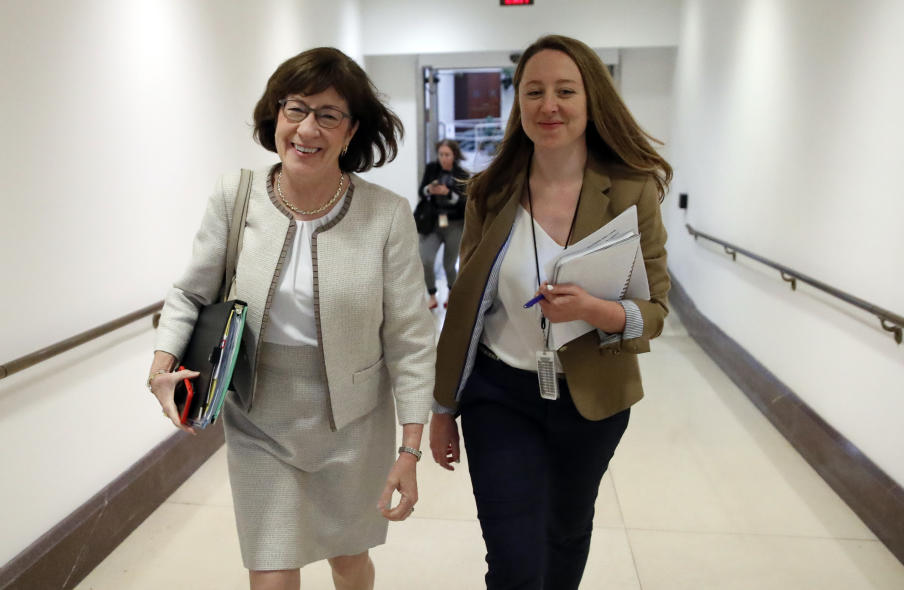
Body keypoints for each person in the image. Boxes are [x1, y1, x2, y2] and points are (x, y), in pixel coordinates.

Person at [147, 47, 435, 590]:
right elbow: (190, 293)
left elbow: (411, 340)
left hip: (353, 423)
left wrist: (410, 448)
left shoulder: (386, 215)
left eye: (328, 115)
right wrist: (162, 366)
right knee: (271, 572)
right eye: (296, 109)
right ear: (275, 116)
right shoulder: (238, 195)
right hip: (260, 416)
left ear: (351, 132)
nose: (307, 129)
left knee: (349, 561)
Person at [428, 34, 671, 590]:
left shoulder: (632, 191)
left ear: (591, 100)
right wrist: (444, 406)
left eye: (565, 90)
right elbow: (466, 309)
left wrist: (599, 310)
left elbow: (654, 310)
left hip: (591, 401)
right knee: (513, 560)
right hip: (499, 395)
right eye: (533, 92)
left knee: (564, 534)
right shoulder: (491, 191)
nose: (548, 106)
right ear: (519, 105)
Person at [417, 139, 469, 309]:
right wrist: (429, 190)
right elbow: (421, 191)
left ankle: (451, 293)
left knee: (449, 263)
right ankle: (432, 294)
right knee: (426, 259)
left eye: (447, 155)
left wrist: (448, 193)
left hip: (454, 223)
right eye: (441, 154)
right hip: (432, 222)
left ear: (454, 155)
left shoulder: (462, 175)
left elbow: (464, 202)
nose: (443, 158)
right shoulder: (432, 169)